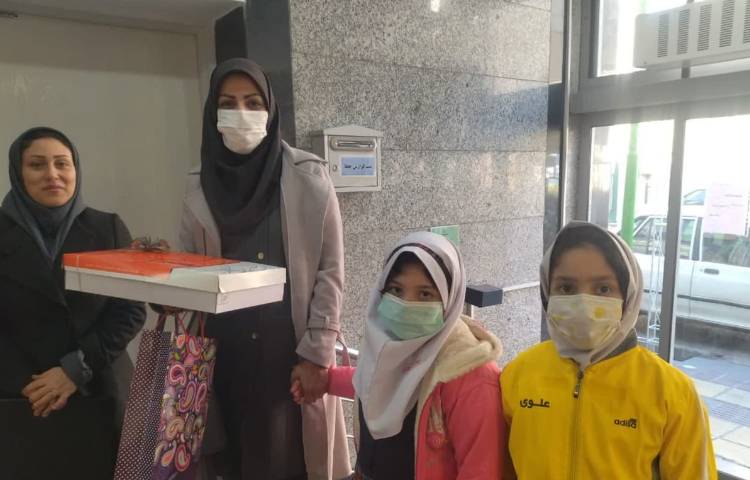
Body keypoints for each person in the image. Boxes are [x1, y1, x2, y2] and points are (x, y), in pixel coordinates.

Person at [178, 58, 350, 480]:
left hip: (288, 363)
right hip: (221, 362)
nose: (241, 113)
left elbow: (330, 271)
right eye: (228, 103)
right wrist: (166, 289)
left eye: (253, 102)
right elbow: (189, 268)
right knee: (228, 463)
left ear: (271, 110)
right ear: (212, 113)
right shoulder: (199, 184)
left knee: (289, 462)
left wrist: (317, 354)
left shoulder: (309, 177)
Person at [501, 221, 717, 479]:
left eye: (603, 288)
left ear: (628, 296)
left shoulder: (673, 394)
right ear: (548, 293)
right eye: (566, 288)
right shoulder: (518, 374)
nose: (583, 303)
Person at [293, 232, 504, 479]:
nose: (406, 305)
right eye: (396, 290)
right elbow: (380, 381)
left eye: (424, 294)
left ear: (450, 298)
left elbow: (481, 469)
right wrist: (326, 380)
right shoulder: (392, 345)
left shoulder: (471, 375)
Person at [0, 127, 146, 479]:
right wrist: (31, 385)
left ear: (75, 169)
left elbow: (129, 311)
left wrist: (72, 371)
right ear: (18, 173)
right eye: (37, 165)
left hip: (98, 385)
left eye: (62, 164)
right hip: (23, 394)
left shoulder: (107, 228)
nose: (52, 174)